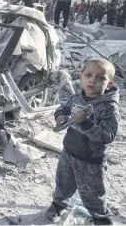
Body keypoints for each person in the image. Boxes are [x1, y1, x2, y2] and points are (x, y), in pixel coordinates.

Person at [45, 58, 119, 226]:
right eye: (88, 75)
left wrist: (85, 123)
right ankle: (58, 204)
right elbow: (63, 107)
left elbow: (107, 136)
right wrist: (60, 116)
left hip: (90, 159)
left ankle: (100, 217)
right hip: (69, 151)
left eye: (100, 78)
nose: (92, 80)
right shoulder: (77, 97)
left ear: (109, 84)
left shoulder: (109, 108)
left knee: (92, 192)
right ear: (81, 77)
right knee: (63, 181)